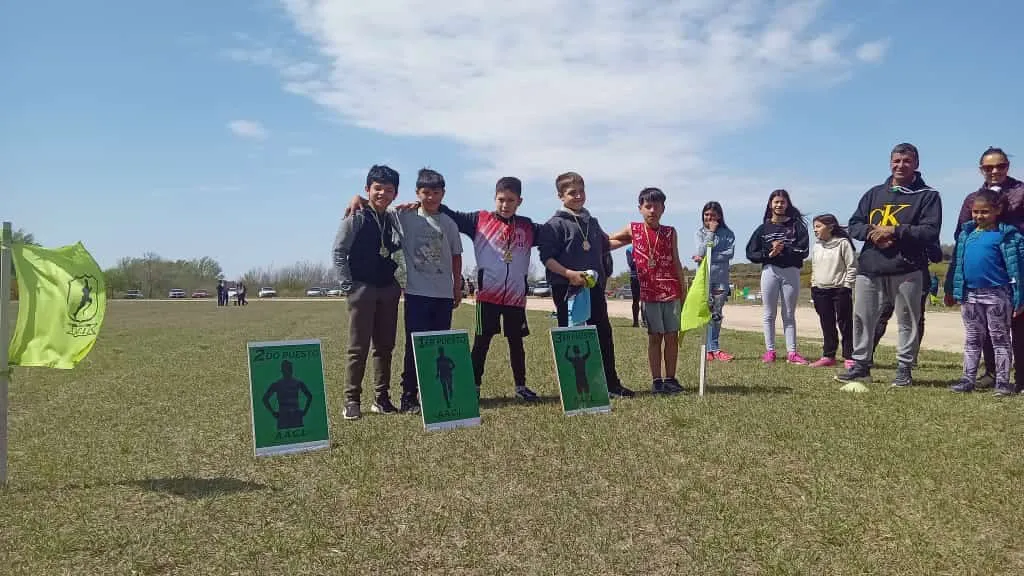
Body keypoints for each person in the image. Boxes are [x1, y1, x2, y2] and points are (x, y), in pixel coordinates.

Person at [427, 177, 543, 402]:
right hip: (487, 296)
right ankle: (474, 385)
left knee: (516, 343)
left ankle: (521, 386)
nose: (505, 205)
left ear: (520, 201)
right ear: (494, 198)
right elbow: (448, 212)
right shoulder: (479, 220)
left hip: (515, 298)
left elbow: (556, 233)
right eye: (501, 199)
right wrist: (422, 203)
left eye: (511, 200)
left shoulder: (528, 227)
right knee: (481, 341)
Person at [836, 143, 942, 387]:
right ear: (890, 163)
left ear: (916, 163)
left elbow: (930, 231)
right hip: (870, 267)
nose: (900, 165)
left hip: (906, 268)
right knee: (862, 317)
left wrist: (894, 230)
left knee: (908, 321)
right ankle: (861, 366)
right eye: (896, 161)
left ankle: (904, 369)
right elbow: (854, 224)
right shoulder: (874, 193)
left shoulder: (928, 195)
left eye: (906, 161)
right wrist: (872, 234)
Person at [538, 171, 634, 398]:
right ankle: (573, 389)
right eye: (572, 193)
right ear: (560, 196)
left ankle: (611, 383)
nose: (579, 196)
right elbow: (547, 258)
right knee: (572, 337)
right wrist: (569, 274)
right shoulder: (554, 225)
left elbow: (603, 245)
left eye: (582, 191)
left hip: (593, 288)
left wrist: (631, 237)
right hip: (567, 289)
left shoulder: (592, 222)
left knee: (603, 334)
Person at [332, 164, 404, 420]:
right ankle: (351, 400)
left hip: (387, 289)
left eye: (388, 189)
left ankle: (381, 398)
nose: (382, 193)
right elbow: (339, 252)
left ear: (395, 193)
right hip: (362, 289)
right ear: (367, 189)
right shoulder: (357, 216)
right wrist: (349, 287)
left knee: (385, 347)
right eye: (377, 188)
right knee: (357, 348)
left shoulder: (393, 218)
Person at [954, 147, 1024, 391]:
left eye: (1000, 166)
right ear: (981, 169)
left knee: (1013, 330)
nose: (995, 171)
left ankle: (1017, 379)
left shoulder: (1021, 192)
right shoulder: (973, 198)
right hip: (977, 284)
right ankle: (989, 374)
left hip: (1012, 273)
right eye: (988, 167)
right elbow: (961, 235)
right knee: (979, 334)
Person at [608, 187, 687, 394]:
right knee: (655, 337)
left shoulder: (670, 232)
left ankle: (670, 378)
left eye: (657, 206)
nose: (652, 210)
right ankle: (657, 380)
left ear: (663, 208)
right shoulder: (633, 229)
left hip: (670, 290)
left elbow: (677, 262)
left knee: (672, 336)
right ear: (640, 208)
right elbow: (608, 240)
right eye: (648, 206)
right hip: (649, 292)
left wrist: (683, 289)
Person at [744, 189, 810, 364]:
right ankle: (770, 351)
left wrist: (785, 249)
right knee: (769, 313)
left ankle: (792, 353)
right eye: (776, 202)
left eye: (782, 202)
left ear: (787, 204)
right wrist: (769, 253)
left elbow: (804, 251)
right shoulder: (763, 228)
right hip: (770, 271)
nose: (779, 205)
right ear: (770, 204)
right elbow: (750, 252)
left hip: (791, 271)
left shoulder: (797, 226)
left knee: (788, 314)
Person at [808, 214, 857, 368]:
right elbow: (815, 267)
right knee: (826, 323)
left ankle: (850, 357)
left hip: (840, 290)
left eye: (818, 226)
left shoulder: (843, 243)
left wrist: (846, 286)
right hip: (820, 290)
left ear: (830, 227)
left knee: (845, 323)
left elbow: (852, 266)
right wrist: (814, 285)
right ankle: (828, 356)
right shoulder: (817, 246)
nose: (815, 230)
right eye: (814, 227)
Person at [694, 201, 736, 362]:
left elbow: (729, 254)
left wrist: (709, 257)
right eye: (706, 214)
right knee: (706, 313)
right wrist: (710, 233)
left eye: (712, 214)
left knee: (716, 314)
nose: (709, 217)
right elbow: (701, 251)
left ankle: (715, 348)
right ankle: (707, 349)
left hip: (720, 280)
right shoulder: (700, 233)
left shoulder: (728, 233)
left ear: (719, 216)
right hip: (704, 279)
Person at [625, 245, 644, 328]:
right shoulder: (629, 249)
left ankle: (645, 321)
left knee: (646, 300)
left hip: (646, 276)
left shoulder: (646, 246)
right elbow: (631, 264)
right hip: (635, 277)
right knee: (636, 300)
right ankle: (635, 321)